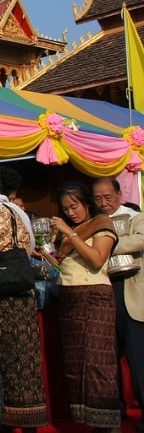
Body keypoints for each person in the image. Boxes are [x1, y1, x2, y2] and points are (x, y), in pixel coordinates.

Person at [0, 166, 47, 431]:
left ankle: (8, 420)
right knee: (25, 361)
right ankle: (28, 421)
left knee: (8, 362)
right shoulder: (18, 212)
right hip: (22, 296)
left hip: (4, 299)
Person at [51, 181, 121, 430]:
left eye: (74, 206)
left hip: (94, 297)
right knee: (76, 363)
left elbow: (96, 259)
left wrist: (69, 233)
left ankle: (108, 423)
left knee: (97, 362)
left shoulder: (101, 223)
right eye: (65, 209)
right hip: (70, 298)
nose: (70, 213)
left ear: (86, 203)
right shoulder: (73, 230)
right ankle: (89, 421)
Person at [94, 176, 144, 425]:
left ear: (119, 195)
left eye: (108, 197)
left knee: (138, 358)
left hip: (131, 294)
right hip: (103, 294)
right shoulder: (93, 222)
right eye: (98, 199)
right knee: (107, 358)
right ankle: (115, 411)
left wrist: (106, 244)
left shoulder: (136, 217)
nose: (103, 203)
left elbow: (140, 239)